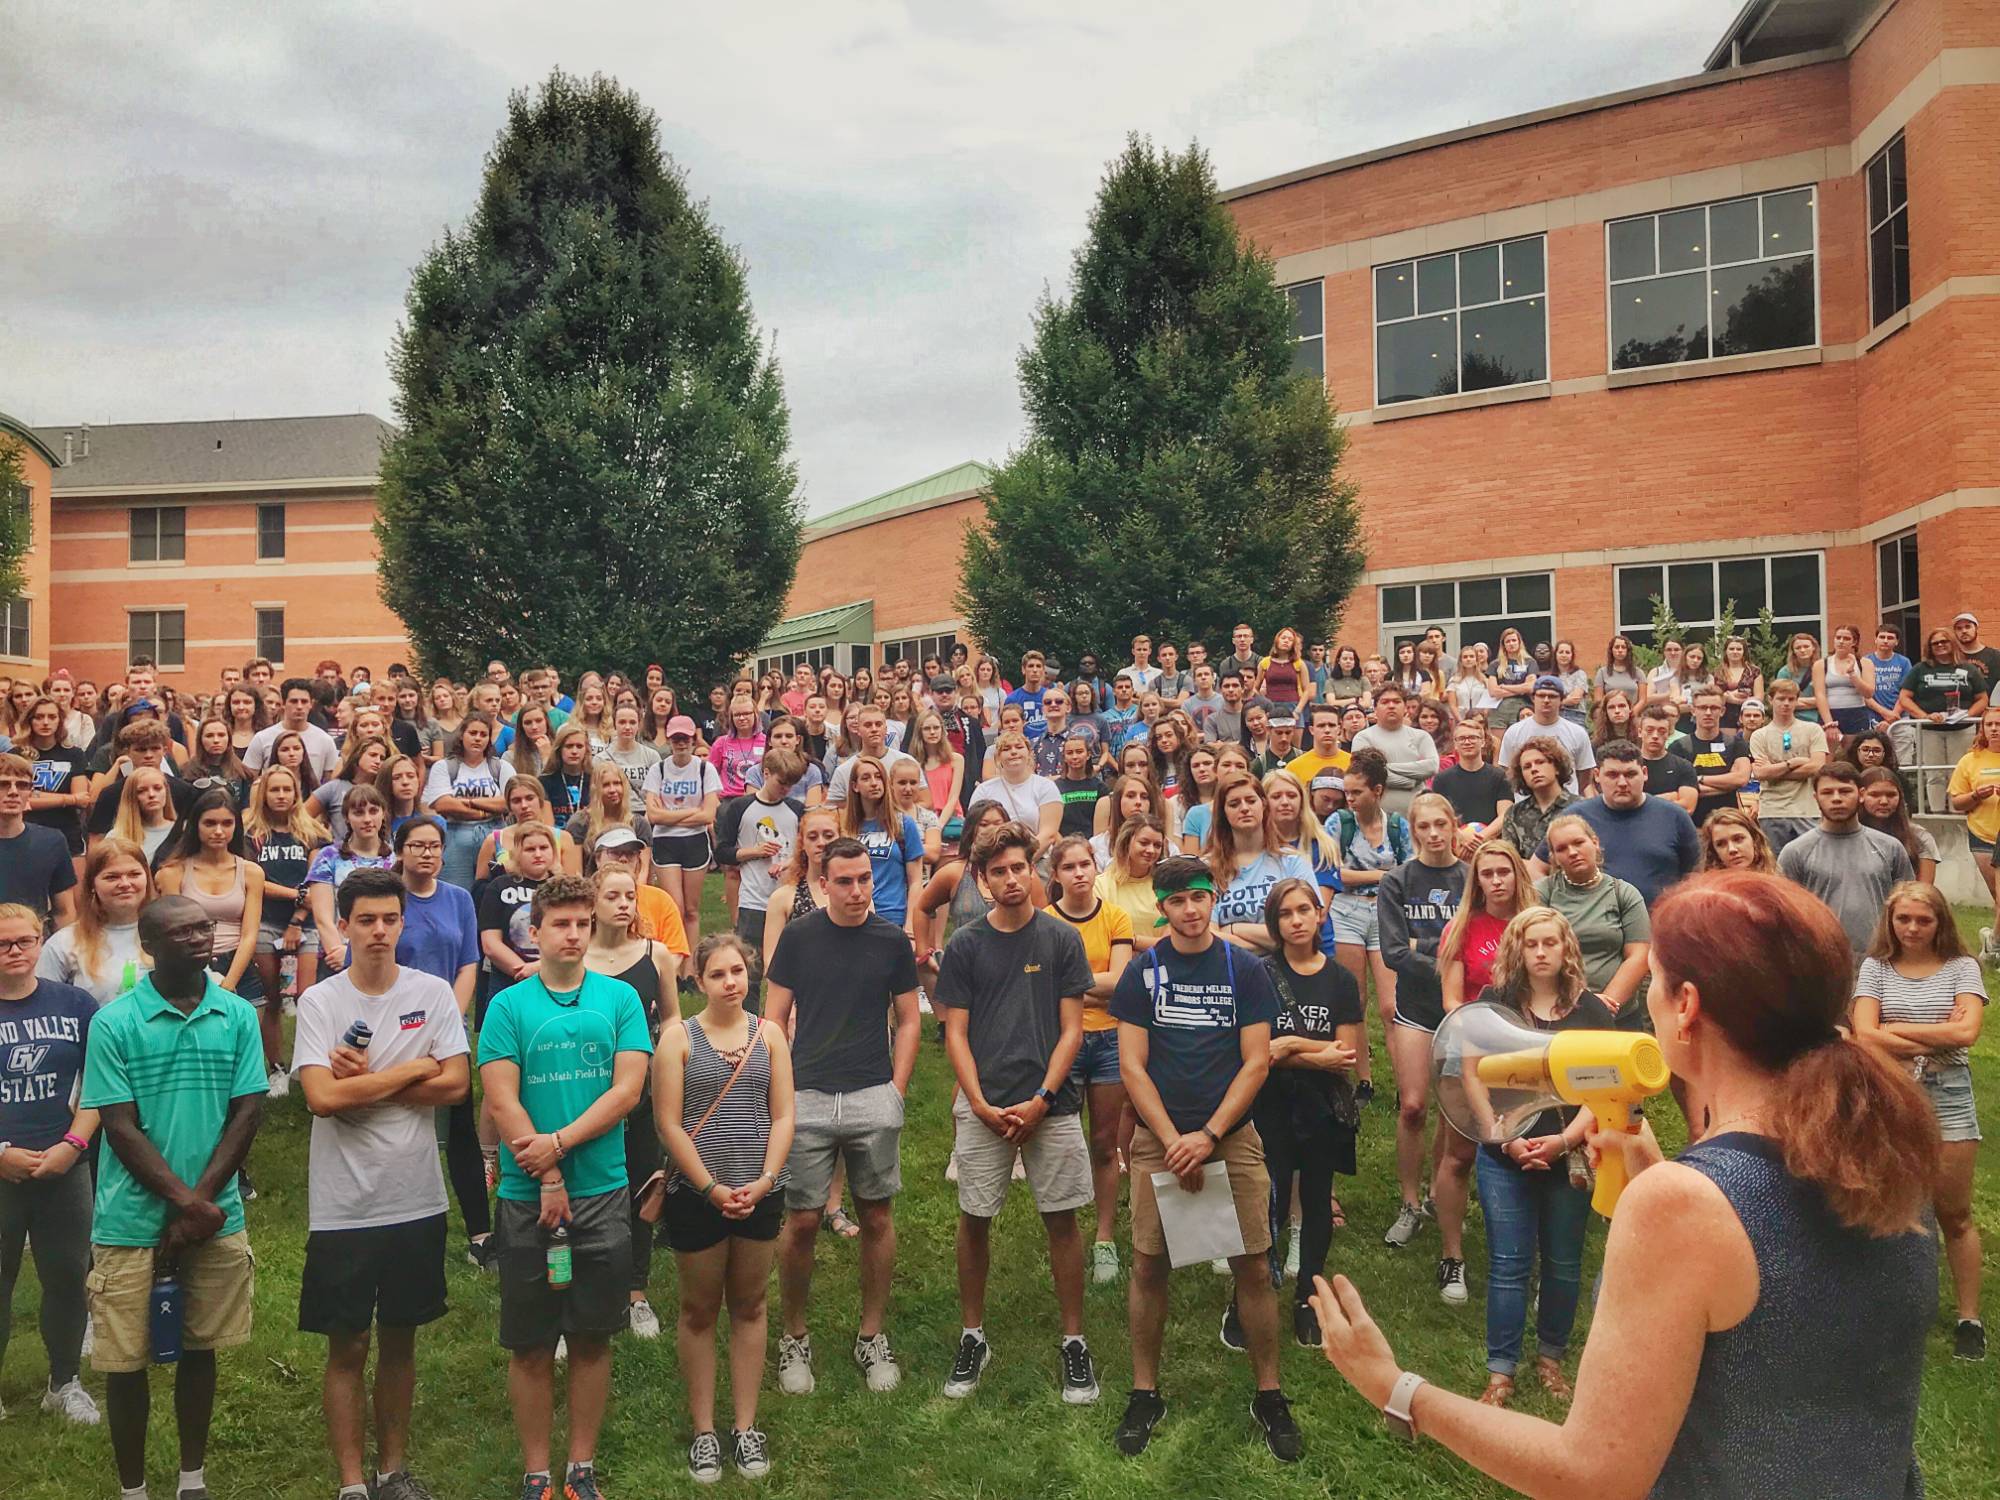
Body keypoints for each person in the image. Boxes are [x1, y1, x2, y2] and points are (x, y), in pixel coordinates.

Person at [1309, 870, 1939, 1499]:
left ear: (1686, 1005)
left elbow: (1593, 1474)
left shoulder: (1684, 1205)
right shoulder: (1882, 1153)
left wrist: (1395, 1388)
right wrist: (1665, 1177)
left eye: (1658, 982)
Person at [1109, 855, 1299, 1461]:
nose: (1190, 911)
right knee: (1148, 1266)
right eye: (1176, 902)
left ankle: (1269, 1393)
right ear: (1160, 907)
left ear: (1213, 897)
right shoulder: (1143, 972)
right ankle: (1145, 1392)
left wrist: (1210, 1135)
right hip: (1159, 1141)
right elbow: (1132, 1066)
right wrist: (1170, 1139)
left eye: (1199, 898)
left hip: (1231, 1137)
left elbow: (1257, 1060)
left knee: (1253, 1264)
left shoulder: (1244, 968)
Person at [292, 869, 470, 1500]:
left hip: (414, 1194)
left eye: (389, 919)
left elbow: (457, 1086)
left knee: (400, 1339)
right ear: (344, 924)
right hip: (343, 1203)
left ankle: (392, 1471)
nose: (378, 931)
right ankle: (351, 1483)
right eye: (365, 920)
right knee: (348, 1344)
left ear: (404, 922)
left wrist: (366, 1083)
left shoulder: (433, 993)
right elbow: (320, 1098)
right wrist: (417, 1064)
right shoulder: (320, 1001)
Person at [83, 896, 266, 1500]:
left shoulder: (237, 1014)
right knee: (125, 1363)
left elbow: (246, 1112)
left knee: (200, 1349)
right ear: (151, 947)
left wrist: (203, 1204)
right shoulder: (113, 1022)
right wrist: (187, 1204)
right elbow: (119, 1125)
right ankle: (132, 1489)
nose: (200, 939)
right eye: (182, 932)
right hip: (132, 1219)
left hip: (215, 1216)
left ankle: (192, 1479)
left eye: (202, 928)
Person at [478, 873, 653, 1500]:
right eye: (562, 923)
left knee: (591, 1334)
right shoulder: (508, 1005)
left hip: (604, 1188)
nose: (574, 933)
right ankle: (536, 1471)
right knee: (529, 1341)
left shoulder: (620, 1000)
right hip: (529, 1197)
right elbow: (501, 1099)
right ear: (536, 931)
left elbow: (627, 1091)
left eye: (583, 923)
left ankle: (580, 1466)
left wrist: (560, 1144)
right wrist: (547, 1169)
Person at [935, 822, 1099, 1403]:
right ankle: (973, 1334)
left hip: (1049, 1106)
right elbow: (954, 1032)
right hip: (983, 1105)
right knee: (974, 1218)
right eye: (997, 871)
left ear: (1036, 871)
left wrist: (1044, 1100)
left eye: (1019, 868)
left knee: (1062, 1220)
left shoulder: (1059, 940)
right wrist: (977, 1101)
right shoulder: (965, 945)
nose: (1010, 880)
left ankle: (1074, 1342)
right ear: (980, 880)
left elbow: (1073, 1029)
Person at [765, 837, 922, 1397]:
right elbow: (773, 1019)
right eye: (846, 881)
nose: (858, 891)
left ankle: (871, 1335)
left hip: (871, 1093)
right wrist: (780, 1092)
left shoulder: (890, 941)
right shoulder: (799, 938)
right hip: (805, 1094)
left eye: (865, 879)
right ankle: (794, 1337)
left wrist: (896, 1090)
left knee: (876, 1217)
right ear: (823, 882)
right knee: (801, 1221)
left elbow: (908, 1019)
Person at [653, 932, 795, 1481]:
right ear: (698, 980)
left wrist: (763, 1181)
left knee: (752, 1305)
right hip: (698, 1194)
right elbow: (669, 1123)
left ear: (750, 974)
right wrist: (712, 1187)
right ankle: (705, 1430)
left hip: (759, 1192)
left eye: (738, 972)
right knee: (698, 1309)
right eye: (718, 974)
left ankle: (745, 1425)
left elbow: (783, 1114)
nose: (730, 983)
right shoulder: (678, 1039)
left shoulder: (771, 1035)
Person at [1466, 906, 1614, 1408]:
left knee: (1563, 1264)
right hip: (1504, 1154)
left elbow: (1604, 1089)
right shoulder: (1493, 1004)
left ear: (1567, 947)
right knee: (1508, 1263)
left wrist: (1565, 1141)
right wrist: (1502, 1136)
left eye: (1551, 942)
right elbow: (1471, 1074)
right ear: (1518, 949)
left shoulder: (1590, 1011)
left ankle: (1550, 1359)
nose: (1542, 952)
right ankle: (1500, 1372)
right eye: (1532, 944)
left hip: (1567, 1155)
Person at [1852, 881, 1986, 1361]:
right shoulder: (1875, 968)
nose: (1911, 928)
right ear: (1890, 922)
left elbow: (1967, 1032)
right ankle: (1894, 1310)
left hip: (1949, 1095)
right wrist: (1937, 1036)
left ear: (1940, 923)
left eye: (1922, 920)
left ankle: (1968, 1318)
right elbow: (1863, 1037)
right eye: (1903, 919)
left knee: (1954, 1213)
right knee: (1892, 1210)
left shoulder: (1962, 967)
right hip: (1890, 1095)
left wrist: (1895, 1030)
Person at [1250, 878, 1362, 1346]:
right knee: (1266, 1198)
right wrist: (1317, 1053)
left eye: (1304, 910)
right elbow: (1256, 1050)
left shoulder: (1340, 979)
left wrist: (1292, 1044)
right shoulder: (1259, 973)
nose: (1296, 921)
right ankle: (1253, 1290)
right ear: (1274, 923)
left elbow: (1347, 1052)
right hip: (1269, 1103)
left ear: (1320, 914)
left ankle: (1307, 1297)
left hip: (1321, 1108)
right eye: (1284, 913)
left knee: (1316, 1199)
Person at [0, 904, 101, 1426]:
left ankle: (63, 1382)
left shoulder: (76, 1003)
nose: (15, 952)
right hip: (2, 1168)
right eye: (3, 944)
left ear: (41, 943)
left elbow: (101, 1084)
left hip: (64, 1164)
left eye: (24, 941)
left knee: (66, 1275)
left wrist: (73, 1146)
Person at [579, 867, 679, 1340]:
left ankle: (636, 1289)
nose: (623, 904)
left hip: (643, 1090)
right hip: (587, 1087)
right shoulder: (578, 958)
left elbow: (674, 1021)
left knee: (643, 1183)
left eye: (630, 896)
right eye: (612, 895)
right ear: (592, 902)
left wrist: (668, 1073)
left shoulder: (655, 955)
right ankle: (581, 1285)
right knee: (589, 1186)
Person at [391, 815, 491, 1269]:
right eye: (418, 846)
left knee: (462, 1129)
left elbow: (469, 962)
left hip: (448, 1026)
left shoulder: (459, 899)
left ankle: (480, 1234)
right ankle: (404, 1226)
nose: (427, 853)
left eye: (434, 846)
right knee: (402, 1128)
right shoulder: (387, 901)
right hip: (396, 1030)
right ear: (401, 851)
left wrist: (447, 1018)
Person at [1040, 834, 1136, 1283]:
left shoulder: (1114, 916)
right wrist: (1081, 983)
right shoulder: (1044, 922)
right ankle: (1063, 1231)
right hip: (1062, 1039)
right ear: (1055, 875)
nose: (1079, 873)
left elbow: (1118, 981)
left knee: (1104, 1142)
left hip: (1111, 1039)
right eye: (1069, 867)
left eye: (1086, 864)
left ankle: (1102, 1238)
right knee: (1060, 1140)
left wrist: (1066, 981)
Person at [1377, 793, 1467, 1258]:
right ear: (1412, 832)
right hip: (1415, 1007)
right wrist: (1452, 956)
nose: (1433, 834)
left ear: (1454, 825)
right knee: (1413, 1106)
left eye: (1441, 824)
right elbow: (1394, 953)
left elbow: (1484, 943)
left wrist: (1423, 944)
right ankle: (1409, 1201)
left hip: (1464, 1010)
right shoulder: (1398, 880)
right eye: (1423, 827)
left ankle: (1439, 1190)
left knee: (1453, 1110)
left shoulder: (1471, 877)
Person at [1534, 740, 1698, 911]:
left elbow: (1695, 876)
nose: (1622, 783)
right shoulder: (1575, 817)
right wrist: (1560, 909)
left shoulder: (1674, 816)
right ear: (1597, 775)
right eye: (1612, 775)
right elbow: (1536, 869)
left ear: (1644, 773)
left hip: (1659, 926)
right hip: (1595, 929)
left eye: (1630, 774)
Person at [1332, 749, 1408, 1101]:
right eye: (1347, 792)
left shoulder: (1396, 825)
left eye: (1356, 792)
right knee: (1355, 998)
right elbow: (1336, 874)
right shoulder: (1338, 824)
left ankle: (1404, 1078)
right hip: (1346, 912)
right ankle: (1364, 1079)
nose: (1349, 798)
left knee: (1391, 1005)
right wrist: (1380, 874)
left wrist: (1375, 880)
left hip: (1385, 913)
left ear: (1376, 791)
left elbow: (1407, 873)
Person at [1777, 765, 1914, 960]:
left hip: (1881, 962)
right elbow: (1786, 919)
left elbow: (1909, 907)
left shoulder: (1890, 847)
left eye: (1844, 791)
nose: (1836, 798)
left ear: (1861, 794)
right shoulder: (1795, 852)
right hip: (1823, 964)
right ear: (1815, 798)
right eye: (1827, 792)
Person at [244, 765, 327, 1086]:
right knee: (271, 999)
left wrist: (297, 917)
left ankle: (310, 1066)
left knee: (308, 997)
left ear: (296, 794)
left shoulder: (312, 832)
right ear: (263, 794)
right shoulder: (252, 833)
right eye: (274, 789)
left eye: (286, 789)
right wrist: (297, 893)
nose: (280, 795)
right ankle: (277, 1068)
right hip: (263, 922)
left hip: (304, 925)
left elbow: (317, 880)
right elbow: (255, 880)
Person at [1536, 814, 1652, 1031]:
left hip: (1620, 1018)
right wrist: (1578, 1002)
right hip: (1559, 1016)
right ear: (1553, 857)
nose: (1572, 852)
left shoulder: (1623, 893)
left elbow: (1639, 956)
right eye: (1561, 848)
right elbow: (1535, 953)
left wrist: (1600, 1006)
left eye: (1579, 842)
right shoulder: (1543, 893)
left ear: (1595, 843)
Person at [36, 837, 153, 1006]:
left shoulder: (170, 934)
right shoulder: (63, 944)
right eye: (112, 877)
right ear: (92, 885)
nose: (125, 883)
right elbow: (43, 1007)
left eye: (134, 874)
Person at [1206, 772, 1314, 952]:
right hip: (1229, 970)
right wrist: (1272, 940)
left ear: (1263, 804)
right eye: (1234, 804)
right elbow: (1207, 936)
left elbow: (1303, 929)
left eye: (1251, 800)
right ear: (1223, 812)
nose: (1244, 808)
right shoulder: (1208, 868)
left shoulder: (1293, 861)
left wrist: (1234, 929)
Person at [1892, 627, 1988, 814]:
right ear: (1930, 647)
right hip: (1930, 729)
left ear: (1952, 643)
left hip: (1962, 728)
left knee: (1958, 771)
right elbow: (1904, 697)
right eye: (1935, 643)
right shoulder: (1920, 669)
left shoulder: (1968, 669)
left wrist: (1968, 714)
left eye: (1944, 641)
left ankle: (1958, 811)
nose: (1940, 646)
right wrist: (1924, 716)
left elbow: (1982, 698)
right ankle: (1937, 813)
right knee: (1934, 774)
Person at [423, 713, 513, 891]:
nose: (478, 738)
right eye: (473, 733)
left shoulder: (501, 767)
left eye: (483, 734)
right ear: (462, 734)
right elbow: (443, 804)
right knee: (455, 890)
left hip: (495, 833)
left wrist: (468, 802)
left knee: (493, 890)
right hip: (455, 834)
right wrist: (486, 809)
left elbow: (509, 802)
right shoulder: (444, 766)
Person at [0, 752, 79, 926]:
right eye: (3, 784)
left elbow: (65, 911)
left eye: (22, 785)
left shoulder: (52, 841)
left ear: (30, 792)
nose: (13, 792)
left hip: (33, 944)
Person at [1947, 703, 2000, 956]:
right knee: (1997, 896)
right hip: (1983, 834)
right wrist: (1976, 795)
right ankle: (1993, 944)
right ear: (1982, 729)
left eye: (1998, 725)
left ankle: (1993, 945)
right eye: (1989, 724)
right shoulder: (1970, 760)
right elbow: (1957, 802)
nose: (1994, 730)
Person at [1497, 678, 1596, 795]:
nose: (1546, 700)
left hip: (1567, 806)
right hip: (1526, 806)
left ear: (1561, 700)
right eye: (1541, 695)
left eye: (1552, 696)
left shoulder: (1577, 732)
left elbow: (1585, 773)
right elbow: (1507, 770)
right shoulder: (1514, 732)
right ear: (1533, 698)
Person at [967, 730, 1063, 849]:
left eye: (1019, 747)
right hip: (994, 856)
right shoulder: (984, 790)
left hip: (1039, 857)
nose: (1013, 752)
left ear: (1029, 753)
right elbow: (973, 831)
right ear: (998, 757)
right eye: (1006, 749)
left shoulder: (1046, 787)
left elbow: (1048, 834)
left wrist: (1024, 860)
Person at [1349, 686, 1438, 815]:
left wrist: (1385, 768)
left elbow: (1431, 767)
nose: (1391, 706)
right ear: (1375, 708)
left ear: (1405, 708)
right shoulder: (1363, 738)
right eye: (1385, 702)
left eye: (1396, 702)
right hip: (1377, 817)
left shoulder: (1421, 736)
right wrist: (1410, 781)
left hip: (1417, 816)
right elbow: (1365, 774)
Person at [1670, 687, 1751, 825]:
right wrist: (1727, 785)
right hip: (1692, 826)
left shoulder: (1736, 743)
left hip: (1729, 823)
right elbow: (1677, 791)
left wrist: (1698, 780)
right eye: (1702, 707)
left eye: (1714, 707)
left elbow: (1741, 779)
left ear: (1722, 711)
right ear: (1693, 710)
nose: (1708, 713)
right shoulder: (1678, 747)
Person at [241, 677, 340, 781]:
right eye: (294, 701)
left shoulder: (324, 740)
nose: (299, 706)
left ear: (311, 704)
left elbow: (331, 783)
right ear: (283, 704)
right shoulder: (262, 738)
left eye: (304, 701)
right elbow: (249, 780)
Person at [1857, 766, 1939, 884]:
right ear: (1861, 795)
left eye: (1891, 795)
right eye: (1875, 795)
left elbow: (1923, 891)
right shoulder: (1845, 836)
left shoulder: (1919, 836)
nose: (1884, 801)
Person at [1633, 702, 1699, 815]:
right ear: (1640, 732)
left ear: (1668, 734)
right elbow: (1623, 804)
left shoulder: (1683, 766)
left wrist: (1642, 802)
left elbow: (1688, 808)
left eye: (1661, 731)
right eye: (1649, 730)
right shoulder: (1629, 764)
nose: (1655, 736)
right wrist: (1671, 796)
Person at [1698, 806, 1777, 873]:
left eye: (1738, 839)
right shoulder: (1708, 889)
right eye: (1721, 844)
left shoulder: (1779, 882)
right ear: (1714, 851)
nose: (1732, 849)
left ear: (1755, 839)